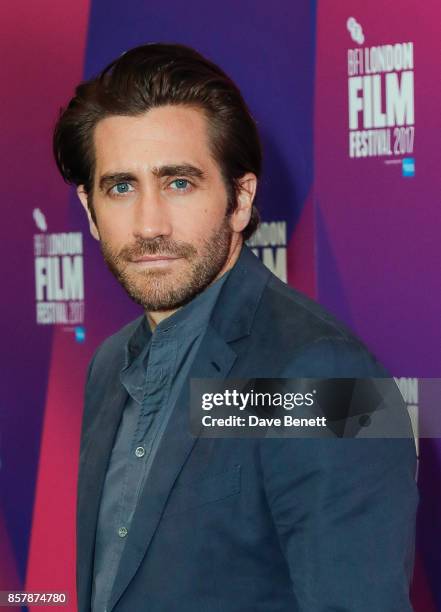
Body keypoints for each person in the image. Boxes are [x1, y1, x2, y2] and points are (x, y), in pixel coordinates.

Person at [53, 43, 418, 612]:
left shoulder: (318, 377)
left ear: (241, 199)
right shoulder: (108, 366)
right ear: (90, 210)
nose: (149, 225)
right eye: (121, 187)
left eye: (179, 183)